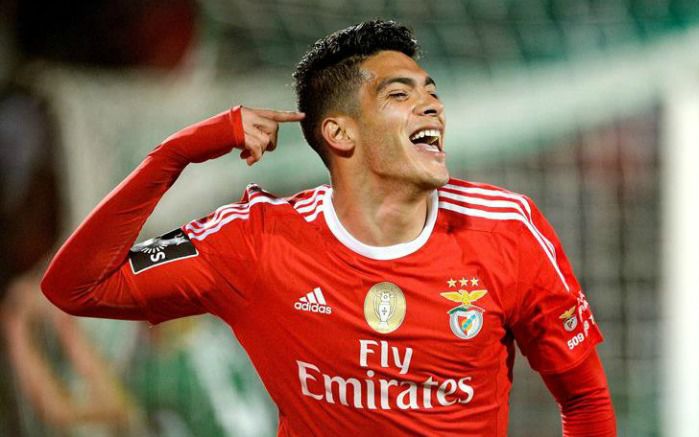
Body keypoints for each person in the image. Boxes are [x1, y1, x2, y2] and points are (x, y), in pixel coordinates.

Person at [41, 20, 616, 435]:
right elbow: (75, 287)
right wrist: (178, 154)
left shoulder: (508, 230)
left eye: (432, 94)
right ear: (340, 134)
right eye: (400, 94)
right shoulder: (256, 240)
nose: (432, 107)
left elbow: (585, 400)